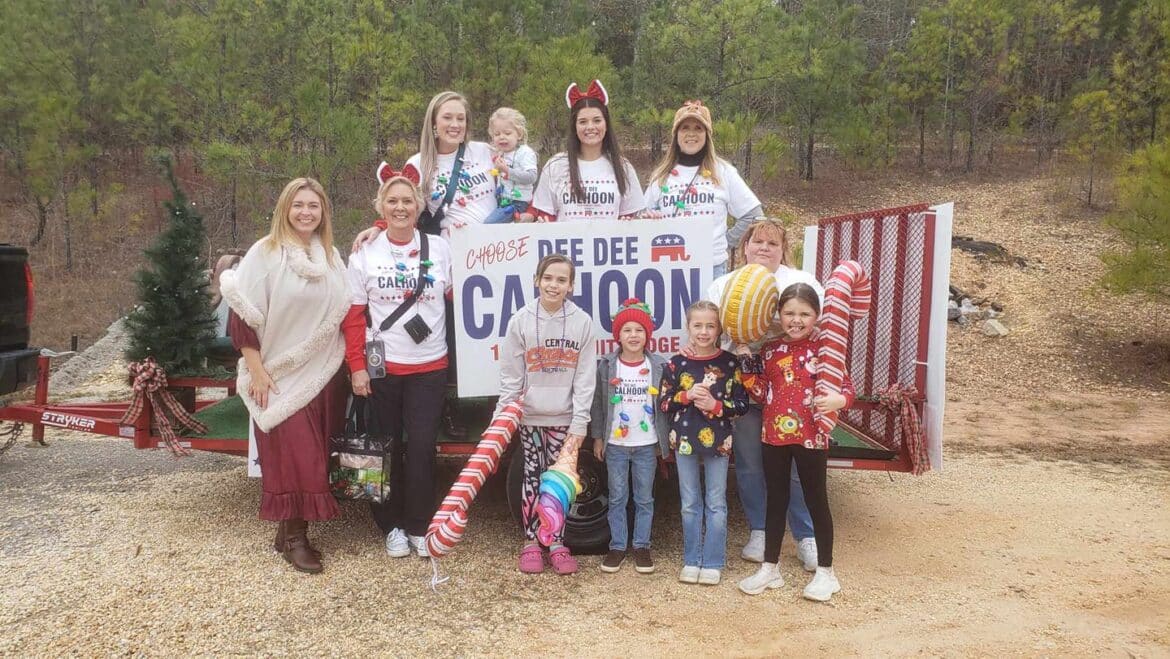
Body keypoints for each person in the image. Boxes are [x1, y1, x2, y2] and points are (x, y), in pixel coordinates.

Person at [220, 177, 350, 574]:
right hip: (277, 374)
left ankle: (286, 532)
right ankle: (296, 538)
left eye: (313, 206)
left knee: (315, 456)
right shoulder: (265, 253)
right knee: (298, 458)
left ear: (323, 212)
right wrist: (257, 371)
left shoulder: (331, 256)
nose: (306, 212)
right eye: (299, 205)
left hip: (322, 373)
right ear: (284, 209)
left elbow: (342, 313)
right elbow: (241, 316)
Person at [342, 173, 454, 559]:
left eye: (408, 201)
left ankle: (419, 525)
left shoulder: (439, 248)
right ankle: (390, 525)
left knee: (422, 449)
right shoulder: (364, 253)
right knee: (382, 448)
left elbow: (462, 295)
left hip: (429, 366)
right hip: (382, 368)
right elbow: (353, 317)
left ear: (419, 207)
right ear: (381, 207)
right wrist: (357, 367)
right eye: (392, 201)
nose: (401, 207)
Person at [704, 218, 825, 569]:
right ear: (745, 247)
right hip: (743, 386)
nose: (764, 248)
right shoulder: (723, 285)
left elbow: (820, 329)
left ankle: (805, 536)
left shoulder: (801, 282)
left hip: (791, 390)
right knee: (749, 464)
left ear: (782, 249)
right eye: (757, 242)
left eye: (772, 243)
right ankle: (759, 530)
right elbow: (710, 332)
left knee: (796, 466)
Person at [737, 283, 853, 601]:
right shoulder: (770, 349)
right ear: (779, 315)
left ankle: (826, 572)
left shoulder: (826, 349)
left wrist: (838, 401)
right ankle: (770, 567)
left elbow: (847, 387)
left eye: (804, 314)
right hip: (773, 436)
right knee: (776, 500)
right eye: (789, 313)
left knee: (816, 500)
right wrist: (746, 364)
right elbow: (761, 392)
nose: (796, 320)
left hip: (812, 436)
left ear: (817, 315)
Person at [495, 253, 597, 575]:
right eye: (548, 278)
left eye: (562, 280)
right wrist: (502, 418)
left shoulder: (582, 322)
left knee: (559, 482)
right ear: (537, 280)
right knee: (532, 477)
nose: (554, 285)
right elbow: (511, 376)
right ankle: (531, 542)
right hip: (530, 418)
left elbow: (585, 379)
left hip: (565, 419)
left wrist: (580, 423)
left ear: (571, 286)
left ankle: (555, 543)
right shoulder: (520, 320)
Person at [658, 300, 749, 586]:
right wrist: (686, 396)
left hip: (719, 443)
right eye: (697, 325)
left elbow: (742, 404)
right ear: (688, 327)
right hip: (684, 442)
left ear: (720, 329)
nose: (704, 331)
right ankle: (691, 559)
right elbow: (663, 403)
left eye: (710, 326)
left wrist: (715, 405)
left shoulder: (730, 363)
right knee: (689, 502)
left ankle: (712, 561)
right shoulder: (676, 363)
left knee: (716, 502)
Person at [591, 298, 668, 575]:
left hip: (646, 445)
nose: (633, 335)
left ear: (647, 335)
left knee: (644, 498)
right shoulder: (607, 365)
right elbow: (598, 403)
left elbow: (664, 406)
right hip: (616, 444)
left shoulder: (658, 365)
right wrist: (598, 437)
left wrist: (663, 442)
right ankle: (617, 546)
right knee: (617, 497)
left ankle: (642, 546)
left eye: (639, 330)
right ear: (618, 335)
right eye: (627, 330)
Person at [643, 100, 764, 278]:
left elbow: (753, 215)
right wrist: (649, 221)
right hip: (668, 269)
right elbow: (641, 219)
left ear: (707, 135)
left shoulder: (724, 172)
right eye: (685, 128)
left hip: (711, 268)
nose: (691, 134)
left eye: (698, 128)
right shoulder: (661, 177)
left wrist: (726, 241)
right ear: (676, 135)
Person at [525, 80, 645, 221]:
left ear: (606, 124)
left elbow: (630, 216)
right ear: (574, 126)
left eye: (597, 120)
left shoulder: (623, 167)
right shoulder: (555, 166)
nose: (590, 127)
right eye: (583, 122)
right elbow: (546, 214)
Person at [484, 107, 539, 224]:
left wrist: (507, 170)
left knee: (489, 225)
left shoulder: (525, 152)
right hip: (502, 201)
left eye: (507, 133)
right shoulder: (500, 153)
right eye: (497, 134)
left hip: (517, 202)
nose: (502, 137)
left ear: (519, 134)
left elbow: (532, 177)